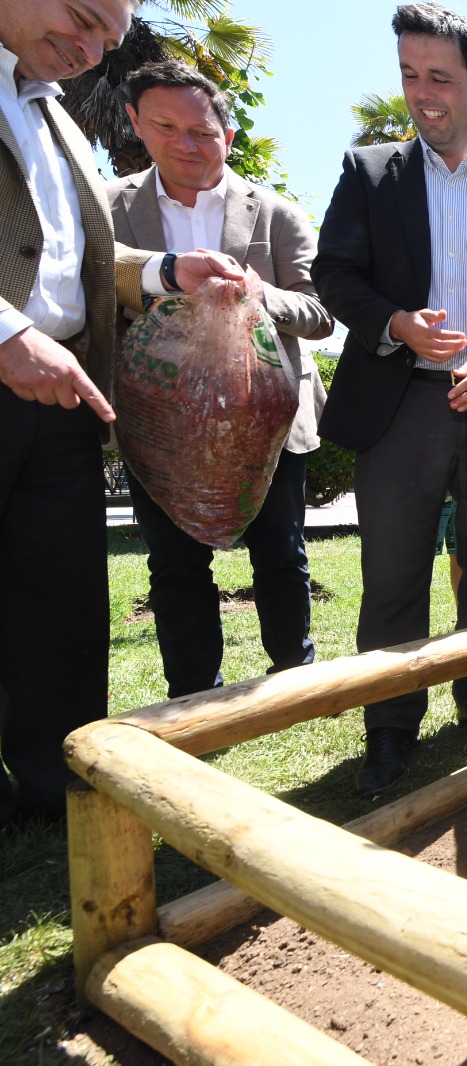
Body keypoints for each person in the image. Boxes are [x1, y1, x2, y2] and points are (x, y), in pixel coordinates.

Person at [0, 0, 247, 830]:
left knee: (61, 609)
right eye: (80, 15)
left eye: (107, 35)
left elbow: (79, 263)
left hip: (67, 401)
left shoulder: (58, 119)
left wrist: (169, 270)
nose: (91, 46)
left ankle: (56, 787)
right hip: (15, 363)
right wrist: (7, 333)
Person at [313, 3, 467, 795]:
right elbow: (333, 275)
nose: (422, 94)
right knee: (392, 577)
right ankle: (389, 727)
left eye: (440, 79)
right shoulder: (367, 174)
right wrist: (395, 323)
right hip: (399, 407)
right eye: (409, 75)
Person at [108, 60, 332, 699]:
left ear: (227, 136)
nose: (186, 144)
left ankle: (295, 684)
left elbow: (320, 313)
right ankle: (195, 697)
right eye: (166, 127)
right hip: (159, 426)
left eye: (202, 131)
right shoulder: (108, 208)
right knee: (175, 566)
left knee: (281, 558)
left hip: (267, 424)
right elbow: (90, 291)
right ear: (137, 125)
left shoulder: (276, 213)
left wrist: (261, 294)